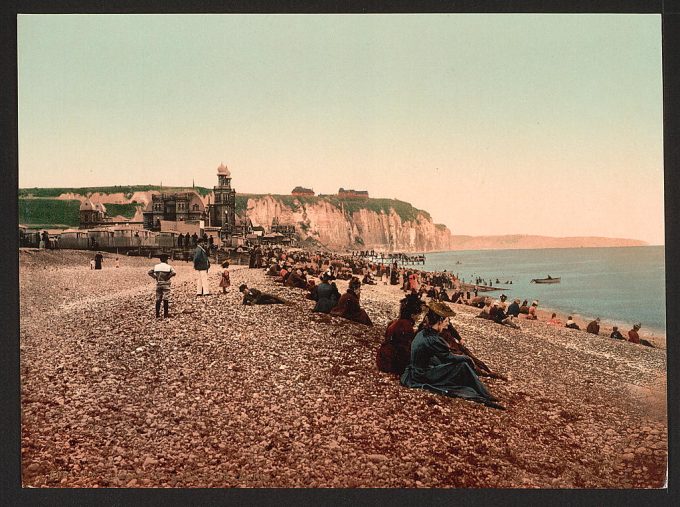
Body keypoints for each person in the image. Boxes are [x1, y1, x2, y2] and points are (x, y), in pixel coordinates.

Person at [400, 302, 504, 410]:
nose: (448, 324)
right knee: (463, 365)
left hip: (415, 371)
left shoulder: (423, 332)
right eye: (446, 321)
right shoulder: (433, 339)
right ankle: (485, 394)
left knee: (452, 364)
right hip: (422, 374)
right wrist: (467, 358)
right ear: (440, 321)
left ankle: (482, 391)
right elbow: (449, 357)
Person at [376, 296, 424, 375]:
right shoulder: (406, 326)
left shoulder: (396, 322)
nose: (418, 318)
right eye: (418, 315)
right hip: (390, 362)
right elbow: (404, 350)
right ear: (412, 315)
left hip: (382, 358)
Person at [148, 254, 176, 319]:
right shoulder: (168, 266)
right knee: (166, 298)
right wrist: (168, 277)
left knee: (158, 298)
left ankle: (157, 314)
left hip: (158, 283)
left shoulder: (156, 266)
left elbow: (149, 272)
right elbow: (174, 272)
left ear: (160, 260)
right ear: (166, 260)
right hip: (166, 284)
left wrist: (155, 277)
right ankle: (165, 314)